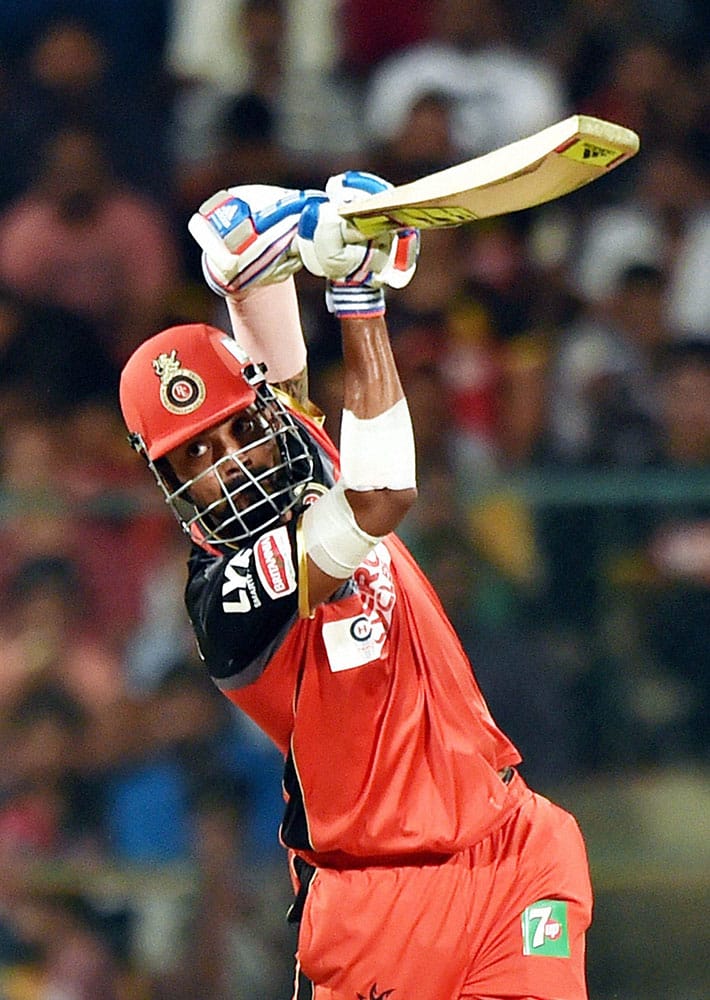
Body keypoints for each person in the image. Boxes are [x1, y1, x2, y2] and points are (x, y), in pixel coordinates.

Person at [119, 177, 592, 999]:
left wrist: (299, 226)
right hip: (375, 909)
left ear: (267, 415)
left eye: (238, 429)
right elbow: (379, 498)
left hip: (516, 851)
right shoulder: (225, 598)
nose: (230, 462)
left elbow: (251, 293)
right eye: (195, 455)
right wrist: (358, 294)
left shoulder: (300, 450)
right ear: (166, 480)